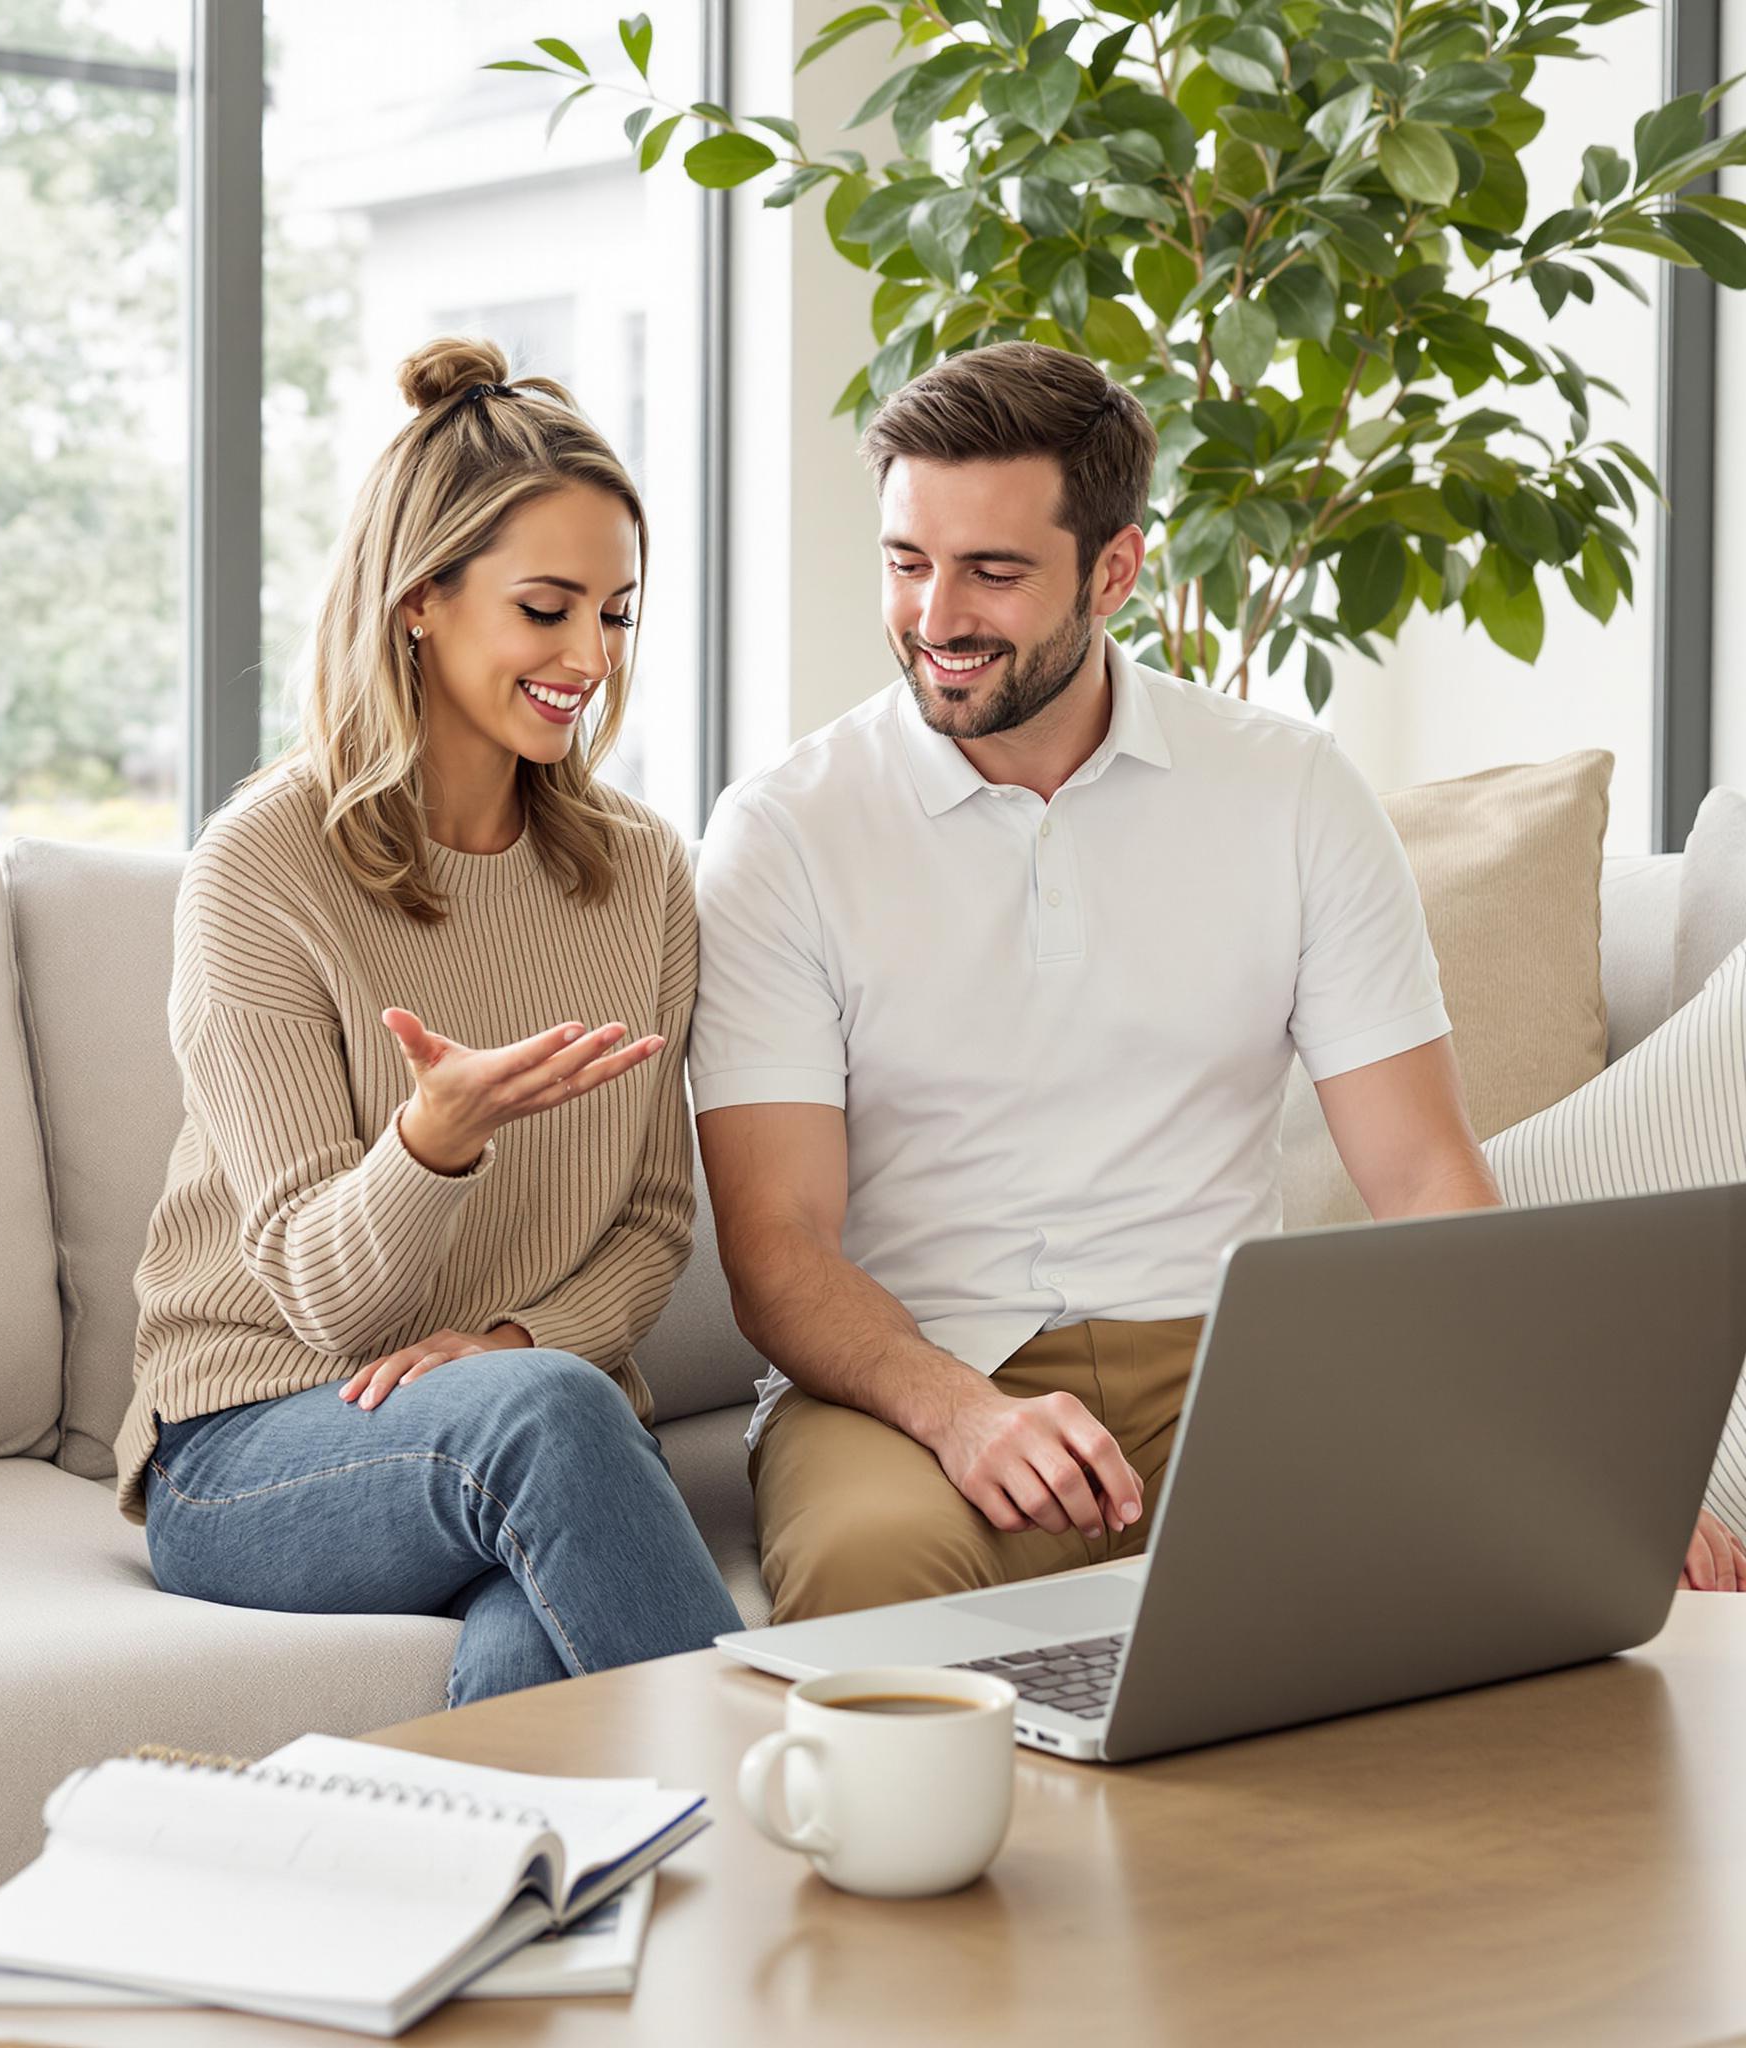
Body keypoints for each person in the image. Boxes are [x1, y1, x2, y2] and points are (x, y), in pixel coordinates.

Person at [691, 339, 1746, 1621]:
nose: (934, 617)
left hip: (1226, 1364)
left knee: (1496, 1574)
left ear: (1116, 569)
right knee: (873, 1572)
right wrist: (964, 1413)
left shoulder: (1287, 791)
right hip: (911, 1378)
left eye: (992, 571)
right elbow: (774, 1242)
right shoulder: (786, 831)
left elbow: (1418, 1175)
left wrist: (1585, 1465)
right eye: (906, 562)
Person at [114, 336, 742, 1704]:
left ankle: (521, 1909)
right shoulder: (266, 866)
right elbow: (326, 1297)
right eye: (546, 608)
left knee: (541, 1644)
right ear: (420, 602)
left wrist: (516, 1349)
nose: (590, 654)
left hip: (527, 1425)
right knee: (557, 1426)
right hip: (256, 1442)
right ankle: (804, 1806)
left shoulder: (641, 874)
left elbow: (651, 1222)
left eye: (618, 614)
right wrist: (432, 1143)